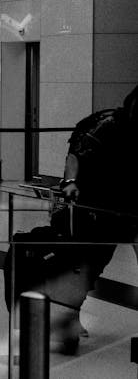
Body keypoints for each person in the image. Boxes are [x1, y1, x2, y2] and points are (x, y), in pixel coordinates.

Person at [56, 85, 138, 354]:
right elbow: (75, 157)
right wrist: (69, 182)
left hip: (130, 206)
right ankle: (68, 316)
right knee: (89, 265)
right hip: (100, 208)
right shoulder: (107, 126)